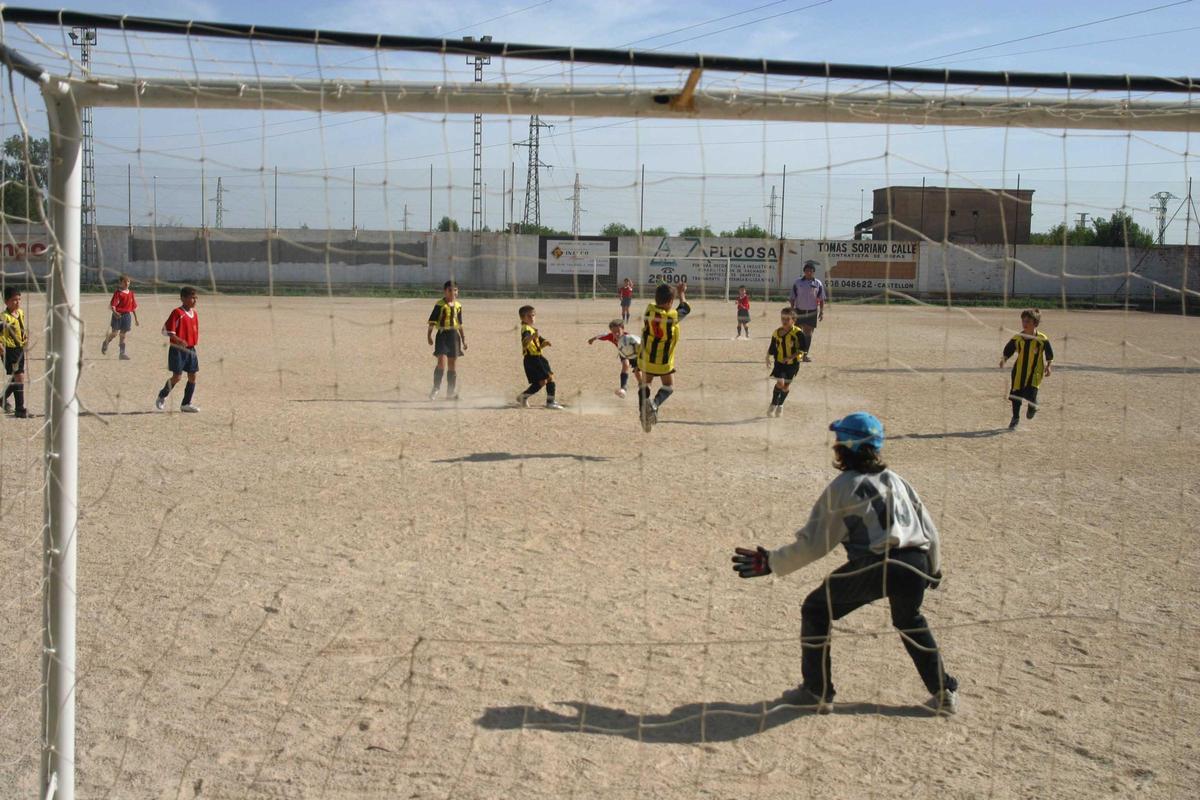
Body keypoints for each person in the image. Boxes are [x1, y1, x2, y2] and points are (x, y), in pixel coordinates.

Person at [732, 412, 959, 715]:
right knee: (910, 620)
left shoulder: (844, 487)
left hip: (879, 564)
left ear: (844, 447)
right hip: (916, 561)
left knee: (816, 608)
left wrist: (773, 562)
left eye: (838, 440)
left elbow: (815, 544)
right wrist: (934, 567)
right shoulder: (897, 480)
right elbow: (928, 527)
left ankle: (817, 690)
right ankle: (943, 690)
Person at [636, 281, 691, 432]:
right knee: (669, 386)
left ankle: (642, 414)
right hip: (663, 361)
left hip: (645, 358)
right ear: (670, 302)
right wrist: (681, 293)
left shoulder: (649, 311)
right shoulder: (671, 317)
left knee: (645, 385)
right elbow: (685, 307)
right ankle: (654, 404)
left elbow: (660, 303)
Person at [999, 308, 1053, 430]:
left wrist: (1049, 366)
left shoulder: (1042, 338)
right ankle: (1015, 418)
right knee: (1016, 395)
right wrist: (1004, 359)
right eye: (1023, 321)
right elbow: (1009, 349)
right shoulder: (1018, 338)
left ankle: (1033, 404)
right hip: (1019, 371)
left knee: (1030, 392)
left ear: (1035, 323)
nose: (1024, 323)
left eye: (1028, 321)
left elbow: (1049, 353)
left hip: (1036, 371)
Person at [155, 286, 201, 413]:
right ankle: (162, 395)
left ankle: (186, 404)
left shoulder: (195, 314)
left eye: (196, 297)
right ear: (183, 298)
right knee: (177, 377)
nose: (195, 300)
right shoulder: (177, 313)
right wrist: (179, 340)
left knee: (193, 376)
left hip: (191, 350)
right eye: (192, 297)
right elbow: (166, 331)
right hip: (177, 350)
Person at [516, 305, 565, 409]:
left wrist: (545, 342)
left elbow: (539, 340)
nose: (532, 318)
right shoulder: (526, 329)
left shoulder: (531, 329)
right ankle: (550, 402)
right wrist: (532, 337)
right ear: (522, 318)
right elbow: (525, 341)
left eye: (533, 315)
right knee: (548, 378)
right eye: (529, 316)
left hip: (538, 358)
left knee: (543, 381)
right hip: (532, 359)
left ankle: (523, 397)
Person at [765, 307, 809, 417]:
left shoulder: (798, 333)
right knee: (780, 383)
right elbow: (772, 346)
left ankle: (780, 405)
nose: (784, 321)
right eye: (782, 319)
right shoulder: (776, 332)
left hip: (793, 364)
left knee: (785, 387)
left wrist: (791, 357)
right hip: (779, 362)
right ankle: (773, 404)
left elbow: (803, 348)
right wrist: (768, 356)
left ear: (793, 320)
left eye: (787, 319)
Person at [427, 280, 467, 400]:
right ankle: (436, 388)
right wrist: (429, 336)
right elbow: (432, 322)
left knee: (452, 366)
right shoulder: (439, 305)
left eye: (455, 290)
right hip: (442, 335)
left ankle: (450, 393)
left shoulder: (458, 306)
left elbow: (460, 324)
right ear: (445, 291)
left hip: (454, 336)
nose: (453, 292)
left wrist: (464, 339)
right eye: (450, 290)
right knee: (441, 363)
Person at [588, 319, 640, 398]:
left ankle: (642, 387)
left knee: (637, 373)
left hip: (635, 354)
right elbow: (602, 335)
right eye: (614, 332)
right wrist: (592, 339)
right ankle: (623, 389)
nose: (616, 334)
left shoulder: (629, 337)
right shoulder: (610, 336)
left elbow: (639, 342)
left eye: (618, 331)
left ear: (623, 328)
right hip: (623, 353)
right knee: (625, 365)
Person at [1, 287, 30, 418]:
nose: (17, 302)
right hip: (9, 350)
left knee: (18, 377)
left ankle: (2, 400)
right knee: (19, 376)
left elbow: (21, 328)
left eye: (19, 299)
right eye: (14, 300)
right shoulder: (3, 317)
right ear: (6, 302)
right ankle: (20, 409)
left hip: (19, 349)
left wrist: (25, 337)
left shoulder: (20, 313)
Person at [789, 260, 826, 362]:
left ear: (814, 272)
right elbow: (792, 297)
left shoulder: (818, 283)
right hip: (799, 311)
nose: (809, 272)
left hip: (812, 312)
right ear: (804, 271)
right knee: (797, 333)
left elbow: (821, 299)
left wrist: (821, 311)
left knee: (808, 334)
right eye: (807, 270)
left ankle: (805, 355)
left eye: (811, 271)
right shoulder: (798, 282)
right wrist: (792, 309)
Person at [101, 274, 139, 359]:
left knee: (123, 335)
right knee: (114, 333)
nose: (126, 283)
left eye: (128, 281)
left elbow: (133, 307)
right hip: (117, 315)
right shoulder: (118, 293)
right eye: (124, 281)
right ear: (120, 282)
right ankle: (106, 342)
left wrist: (136, 319)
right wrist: (115, 312)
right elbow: (112, 305)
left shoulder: (131, 293)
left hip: (127, 316)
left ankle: (122, 354)